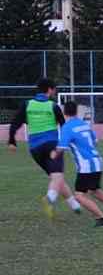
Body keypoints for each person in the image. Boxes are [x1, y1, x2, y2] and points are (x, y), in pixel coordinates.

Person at [7, 78, 81, 220]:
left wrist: (12, 140)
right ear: (50, 90)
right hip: (52, 145)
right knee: (57, 175)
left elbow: (15, 122)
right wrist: (72, 141)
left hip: (35, 149)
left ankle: (75, 205)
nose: (54, 92)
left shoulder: (27, 104)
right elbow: (64, 126)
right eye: (54, 89)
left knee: (56, 177)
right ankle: (49, 199)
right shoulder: (53, 106)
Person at [52, 101, 103, 227]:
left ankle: (102, 218)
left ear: (64, 112)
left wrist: (53, 154)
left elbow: (61, 148)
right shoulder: (85, 124)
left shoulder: (67, 127)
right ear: (76, 111)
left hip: (86, 165)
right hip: (98, 161)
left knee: (79, 195)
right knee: (95, 190)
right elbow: (95, 142)